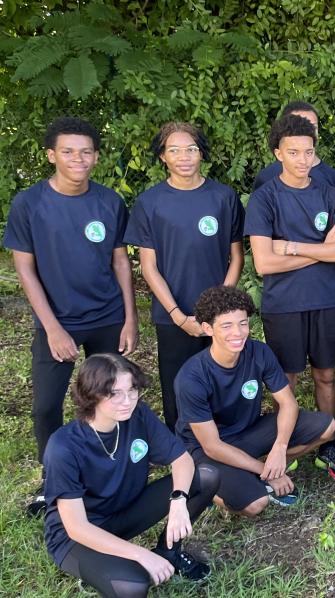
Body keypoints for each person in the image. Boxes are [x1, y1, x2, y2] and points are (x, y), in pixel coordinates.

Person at [5, 117, 139, 516]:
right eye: (68, 151)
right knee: (46, 406)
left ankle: (118, 468)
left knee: (117, 396)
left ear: (95, 157)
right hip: (58, 321)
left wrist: (130, 318)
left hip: (108, 315)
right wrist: (52, 327)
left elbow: (120, 263)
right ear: (51, 155)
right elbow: (24, 269)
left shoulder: (109, 201)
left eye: (85, 152)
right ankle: (54, 483)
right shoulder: (29, 203)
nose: (77, 159)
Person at [43, 354, 217, 597]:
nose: (127, 401)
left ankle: (169, 551)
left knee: (207, 476)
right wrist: (140, 554)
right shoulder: (63, 446)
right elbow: (76, 527)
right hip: (79, 537)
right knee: (133, 586)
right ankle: (103, 566)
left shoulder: (138, 415)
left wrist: (178, 501)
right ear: (90, 394)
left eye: (132, 390)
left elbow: (182, 460)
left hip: (124, 511)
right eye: (114, 394)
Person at [245, 113, 335, 477]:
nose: (303, 160)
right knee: (286, 380)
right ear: (278, 153)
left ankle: (329, 445)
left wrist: (290, 247)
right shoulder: (265, 198)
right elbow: (263, 263)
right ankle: (286, 447)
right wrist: (321, 248)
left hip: (323, 302)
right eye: (294, 152)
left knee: (326, 375)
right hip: (284, 306)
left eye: (308, 152)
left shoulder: (329, 194)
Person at [175, 286, 335, 516]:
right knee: (256, 504)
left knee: (328, 427)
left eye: (243, 323)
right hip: (207, 449)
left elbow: (288, 404)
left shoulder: (259, 352)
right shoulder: (191, 377)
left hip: (248, 432)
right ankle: (202, 481)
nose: (238, 333)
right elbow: (212, 445)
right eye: (227, 326)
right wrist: (268, 471)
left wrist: (280, 449)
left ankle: (248, 470)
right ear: (207, 328)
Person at [125, 122, 245, 431]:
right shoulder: (150, 203)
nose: (184, 156)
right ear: (162, 156)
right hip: (172, 314)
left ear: (202, 153)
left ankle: (227, 439)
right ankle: (181, 447)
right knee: (177, 383)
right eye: (174, 150)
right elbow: (148, 267)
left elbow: (236, 256)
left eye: (191, 149)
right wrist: (179, 316)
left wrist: (219, 309)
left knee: (222, 377)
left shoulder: (223, 197)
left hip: (219, 316)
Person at [252, 101, 335, 195]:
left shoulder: (334, 179)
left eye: (312, 127)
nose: (305, 132)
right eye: (297, 127)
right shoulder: (266, 177)